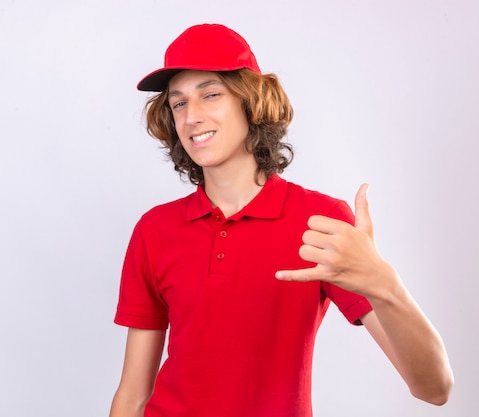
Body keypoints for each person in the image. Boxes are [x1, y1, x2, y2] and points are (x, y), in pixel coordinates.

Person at [110, 23, 453, 417]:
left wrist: (384, 285)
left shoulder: (320, 222)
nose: (192, 117)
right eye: (179, 103)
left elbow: (434, 388)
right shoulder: (155, 230)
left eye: (211, 94)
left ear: (251, 102)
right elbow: (133, 395)